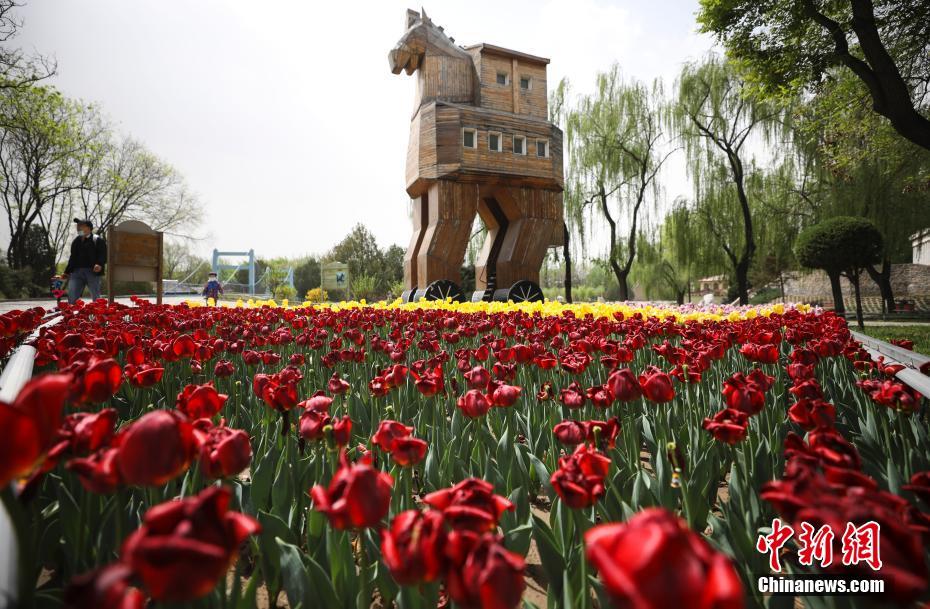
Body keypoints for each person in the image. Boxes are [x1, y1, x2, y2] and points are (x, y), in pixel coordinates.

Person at [63, 219, 107, 303]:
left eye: (81, 226)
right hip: (76, 272)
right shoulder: (76, 241)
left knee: (96, 296)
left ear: (89, 228)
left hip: (92, 272)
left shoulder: (97, 240)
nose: (78, 228)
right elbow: (72, 257)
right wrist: (67, 272)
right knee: (72, 296)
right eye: (78, 226)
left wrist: (99, 264)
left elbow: (103, 254)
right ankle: (71, 314)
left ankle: (98, 314)